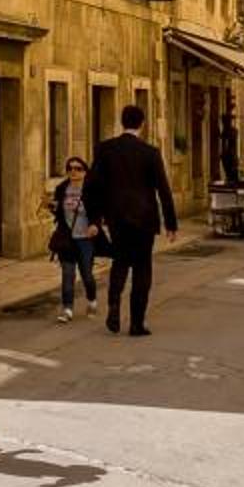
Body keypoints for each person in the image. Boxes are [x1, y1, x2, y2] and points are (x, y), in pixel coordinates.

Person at [83, 102, 178, 336]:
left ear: (121, 122)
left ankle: (114, 306)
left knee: (121, 262)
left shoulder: (105, 150)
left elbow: (91, 187)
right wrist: (171, 224)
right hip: (145, 219)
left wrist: (95, 218)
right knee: (142, 268)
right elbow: (164, 190)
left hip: (117, 218)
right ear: (142, 125)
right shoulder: (151, 153)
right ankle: (136, 323)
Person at [42, 155, 97, 322]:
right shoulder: (62, 188)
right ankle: (67, 309)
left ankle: (92, 300)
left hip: (85, 238)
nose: (73, 171)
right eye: (70, 168)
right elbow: (58, 211)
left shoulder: (91, 189)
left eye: (78, 168)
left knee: (87, 274)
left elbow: (99, 210)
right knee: (68, 274)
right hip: (67, 239)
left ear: (85, 172)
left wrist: (95, 224)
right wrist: (51, 206)